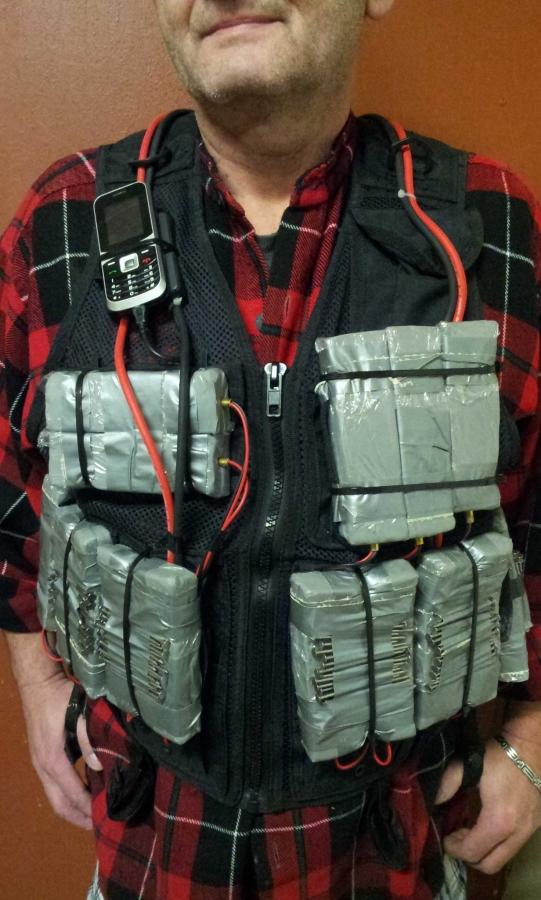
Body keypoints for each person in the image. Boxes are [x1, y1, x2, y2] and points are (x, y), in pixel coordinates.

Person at [1, 2, 541, 898]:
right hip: (147, 857)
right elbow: (12, 494)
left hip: (392, 860)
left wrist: (531, 743)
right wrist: (34, 687)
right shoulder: (61, 220)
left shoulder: (495, 226)